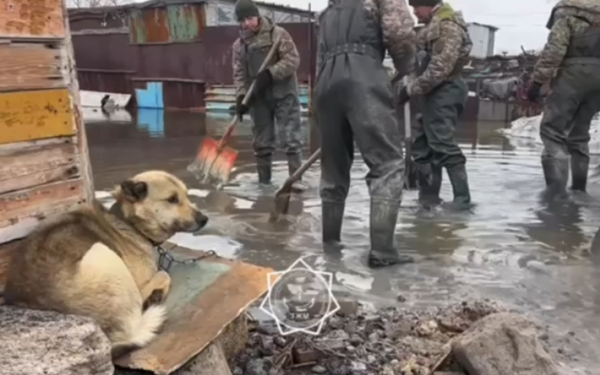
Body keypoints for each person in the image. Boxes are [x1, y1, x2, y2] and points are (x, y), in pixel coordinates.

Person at [315, 0, 416, 267]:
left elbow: (320, 55)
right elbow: (399, 33)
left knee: (333, 169)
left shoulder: (328, 10)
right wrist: (407, 65)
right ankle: (383, 251)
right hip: (363, 76)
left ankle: (330, 245)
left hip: (325, 84)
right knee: (388, 164)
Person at [397, 0, 473, 210]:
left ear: (429, 4)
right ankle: (428, 197)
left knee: (441, 142)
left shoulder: (447, 26)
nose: (414, 13)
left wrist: (410, 90)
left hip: (446, 89)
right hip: (429, 91)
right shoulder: (429, 26)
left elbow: (440, 68)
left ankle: (462, 200)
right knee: (422, 143)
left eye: (416, 8)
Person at [527, 0, 600, 197]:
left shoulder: (566, 12)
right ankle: (579, 190)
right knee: (579, 135)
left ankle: (555, 196)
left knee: (553, 132)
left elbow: (554, 51)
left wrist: (537, 82)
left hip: (572, 75)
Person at [232, 0, 305, 189]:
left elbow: (293, 60)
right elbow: (239, 74)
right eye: (242, 20)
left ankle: (295, 183)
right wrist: (241, 97)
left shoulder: (278, 35)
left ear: (257, 16)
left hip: (284, 95)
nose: (246, 23)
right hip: (258, 99)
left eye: (249, 18)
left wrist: (271, 74)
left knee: (291, 140)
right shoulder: (239, 46)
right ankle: (264, 184)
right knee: (261, 144)